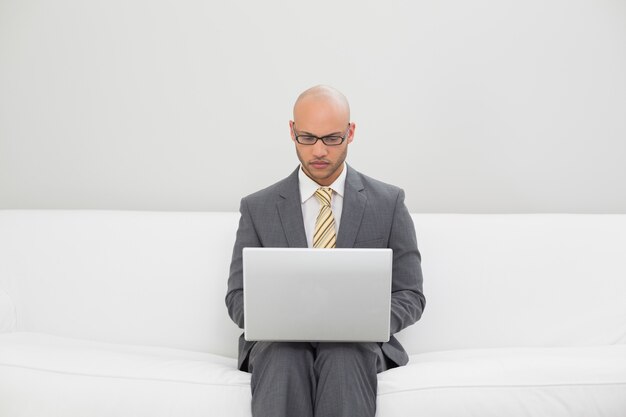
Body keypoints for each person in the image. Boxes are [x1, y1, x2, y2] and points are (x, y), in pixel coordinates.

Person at [225, 85, 425, 417]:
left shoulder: (388, 203)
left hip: (358, 346)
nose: (319, 151)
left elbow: (410, 293)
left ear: (350, 133)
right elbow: (237, 296)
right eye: (307, 138)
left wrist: (367, 321)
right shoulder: (258, 208)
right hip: (279, 345)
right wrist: (277, 319)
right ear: (292, 131)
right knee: (283, 356)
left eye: (332, 139)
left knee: (344, 354)